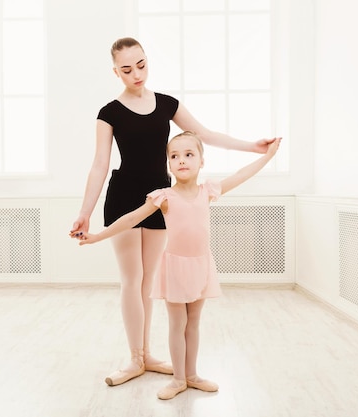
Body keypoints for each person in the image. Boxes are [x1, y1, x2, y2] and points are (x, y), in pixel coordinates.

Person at [69, 37, 279, 387]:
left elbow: (206, 136)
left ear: (147, 61)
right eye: (126, 69)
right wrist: (84, 212)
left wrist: (252, 146)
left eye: (141, 64)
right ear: (115, 71)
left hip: (162, 198)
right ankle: (135, 358)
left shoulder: (167, 104)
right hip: (123, 198)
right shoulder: (109, 113)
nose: (136, 73)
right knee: (131, 280)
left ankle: (148, 355)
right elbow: (99, 165)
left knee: (149, 282)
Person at [76, 131, 282, 400]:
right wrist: (97, 238)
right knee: (177, 324)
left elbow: (242, 175)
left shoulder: (208, 191)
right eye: (174, 156)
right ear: (168, 165)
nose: (181, 160)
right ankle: (177, 380)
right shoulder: (163, 197)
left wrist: (268, 156)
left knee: (193, 323)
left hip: (201, 266)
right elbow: (130, 219)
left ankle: (192, 375)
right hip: (174, 268)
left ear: (201, 161)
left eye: (188, 154)